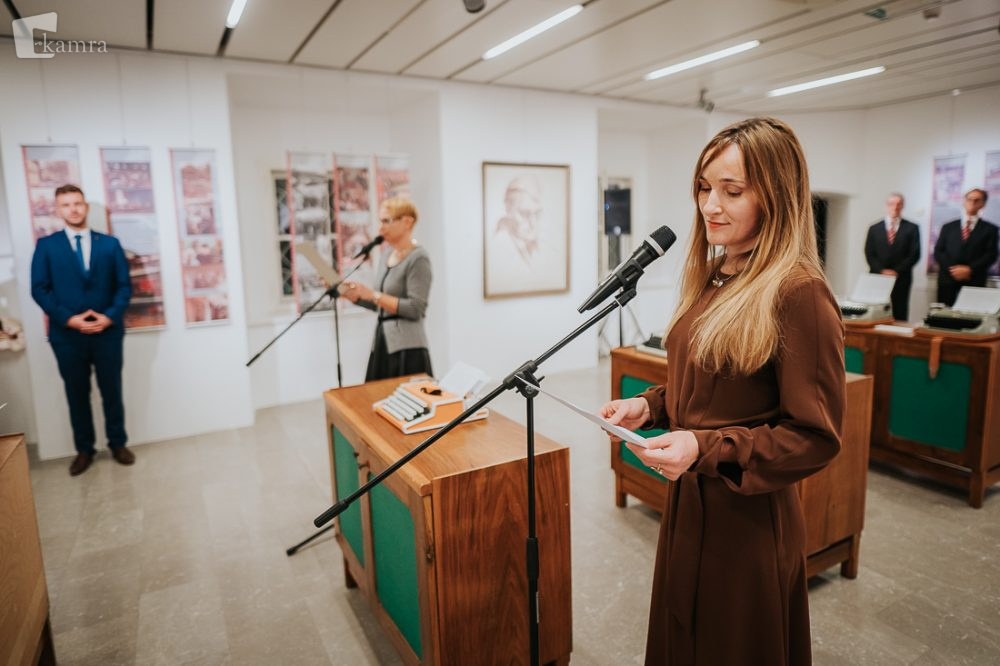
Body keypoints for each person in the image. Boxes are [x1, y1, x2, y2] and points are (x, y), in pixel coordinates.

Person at [600, 117, 845, 665]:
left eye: (732, 191)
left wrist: (704, 447)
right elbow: (709, 379)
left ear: (776, 197)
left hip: (746, 522)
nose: (710, 205)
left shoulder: (799, 293)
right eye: (704, 188)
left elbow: (815, 437)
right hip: (690, 503)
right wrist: (649, 405)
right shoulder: (714, 274)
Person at [30, 185, 134, 476]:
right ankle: (84, 450)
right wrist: (69, 319)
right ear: (57, 210)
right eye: (66, 205)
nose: (73, 209)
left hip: (107, 333)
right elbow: (39, 289)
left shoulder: (110, 244)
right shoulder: (47, 246)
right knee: (76, 394)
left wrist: (109, 317)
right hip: (67, 336)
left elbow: (124, 287)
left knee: (112, 391)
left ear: (85, 207)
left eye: (77, 203)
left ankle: (118, 443)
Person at [341, 197, 433, 381]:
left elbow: (416, 308)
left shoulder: (418, 258)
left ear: (407, 222)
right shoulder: (386, 255)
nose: (381, 229)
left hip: (408, 347)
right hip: (383, 341)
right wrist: (354, 296)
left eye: (386, 221)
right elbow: (380, 305)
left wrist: (373, 295)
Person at [933, 188, 999, 307]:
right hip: (947, 281)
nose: (972, 202)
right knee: (943, 316)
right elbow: (939, 252)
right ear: (964, 202)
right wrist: (954, 270)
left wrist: (970, 269)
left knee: (970, 314)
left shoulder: (990, 229)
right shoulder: (948, 227)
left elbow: (991, 255)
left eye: (977, 200)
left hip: (974, 281)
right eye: (969, 199)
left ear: (983, 204)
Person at [864, 192, 920, 320]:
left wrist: (896, 271)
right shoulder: (874, 228)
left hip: (901, 277)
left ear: (903, 206)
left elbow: (914, 254)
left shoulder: (912, 228)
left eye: (898, 204)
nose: (895, 207)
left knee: (900, 310)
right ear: (886, 205)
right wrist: (881, 271)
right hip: (878, 276)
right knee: (876, 310)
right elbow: (869, 253)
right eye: (891, 204)